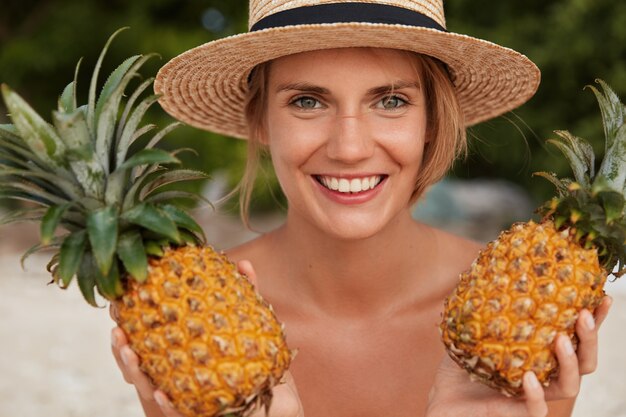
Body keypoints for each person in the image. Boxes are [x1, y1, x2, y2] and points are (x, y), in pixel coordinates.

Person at [110, 1, 612, 416]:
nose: (349, 148)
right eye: (307, 101)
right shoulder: (192, 329)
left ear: (432, 120)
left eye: (391, 101)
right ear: (259, 120)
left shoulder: (524, 312)